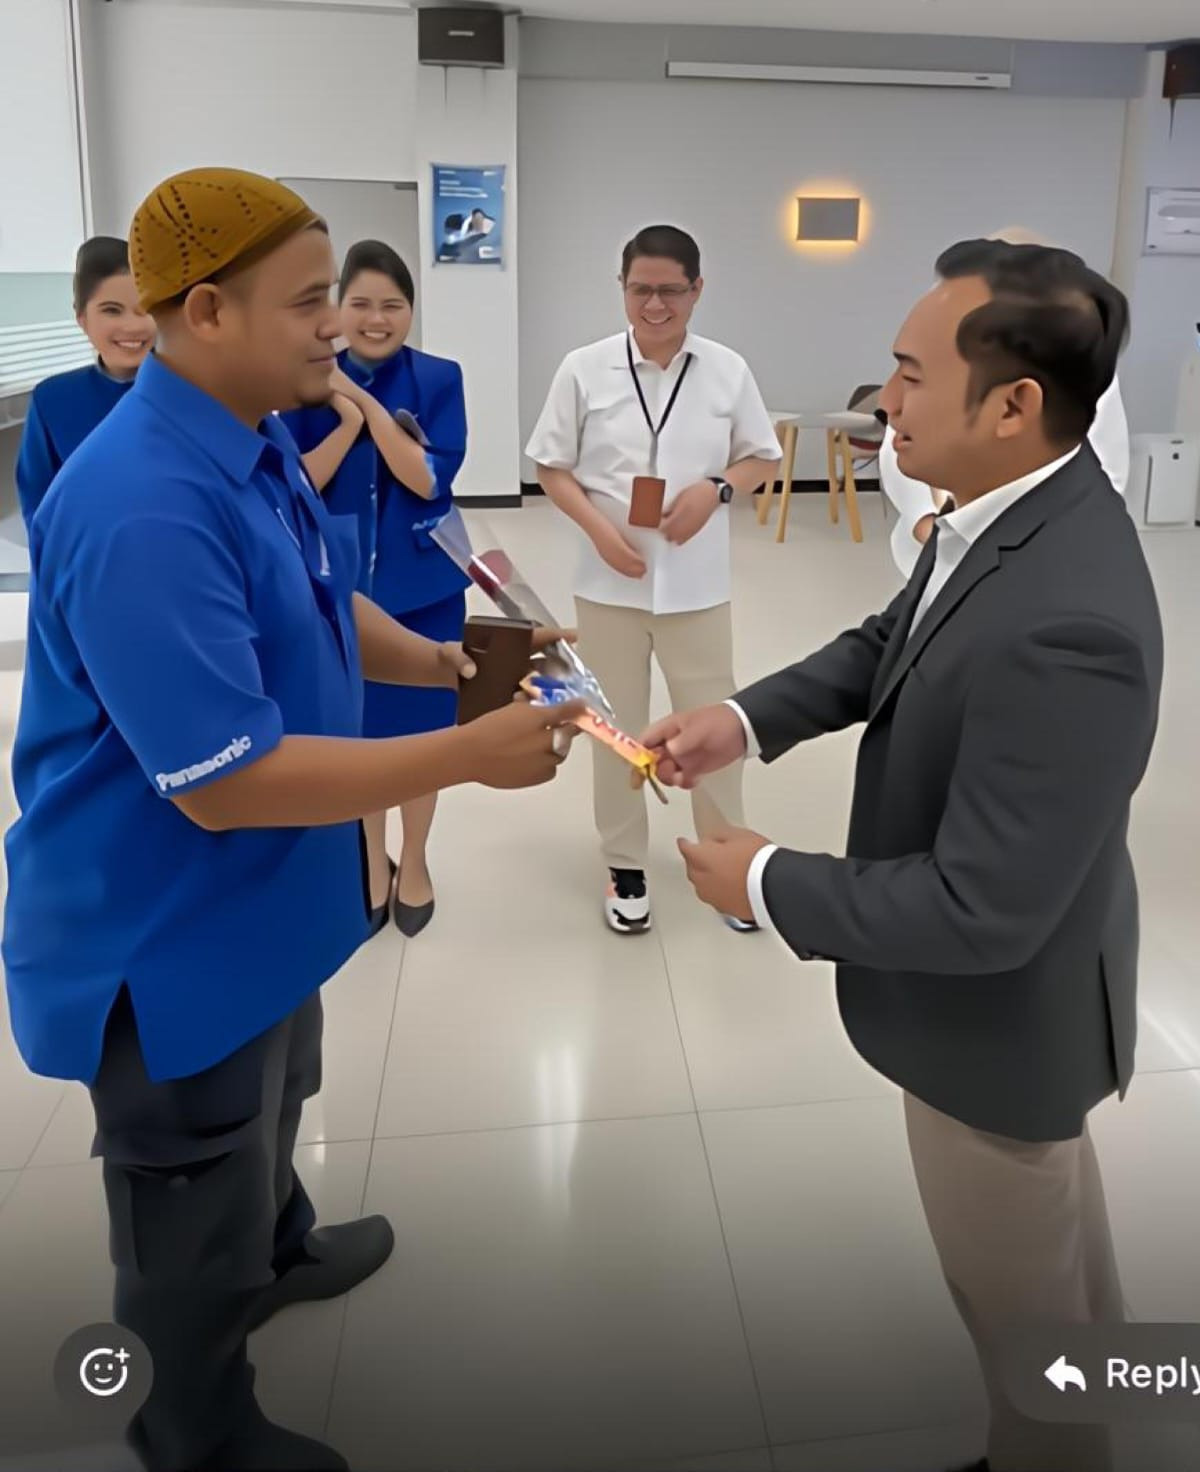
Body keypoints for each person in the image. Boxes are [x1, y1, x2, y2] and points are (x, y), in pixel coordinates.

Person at [2, 168, 581, 1472]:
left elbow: (321, 600)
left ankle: (280, 1247)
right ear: (208, 312)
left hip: (265, 899)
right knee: (190, 1194)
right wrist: (466, 753)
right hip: (167, 924)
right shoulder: (143, 500)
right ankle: (191, 1426)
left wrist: (446, 661)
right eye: (311, 301)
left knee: (275, 1101)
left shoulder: (252, 437)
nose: (341, 325)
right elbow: (223, 781)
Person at [644, 240, 1163, 1472]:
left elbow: (983, 909)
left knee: (1025, 1322)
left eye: (912, 374)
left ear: (1014, 404)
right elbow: (893, 637)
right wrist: (745, 719)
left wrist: (763, 877)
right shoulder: (1006, 509)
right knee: (1063, 1281)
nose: (886, 401)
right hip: (994, 1015)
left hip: (1002, 1026)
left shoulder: (1072, 621)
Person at [526, 224, 781, 935]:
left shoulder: (727, 370)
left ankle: (725, 854)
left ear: (697, 289)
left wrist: (716, 491)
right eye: (641, 289)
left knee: (715, 727)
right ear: (622, 288)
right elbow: (551, 466)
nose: (655, 304)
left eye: (671, 290)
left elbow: (761, 457)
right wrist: (599, 532)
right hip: (607, 583)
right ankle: (624, 863)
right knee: (614, 726)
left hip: (697, 585)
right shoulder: (584, 368)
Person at [282, 240, 467, 937]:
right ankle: (370, 860)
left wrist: (360, 400)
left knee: (422, 735)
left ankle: (413, 860)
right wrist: (348, 423)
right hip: (336, 593)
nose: (376, 318)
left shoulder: (439, 378)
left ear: (411, 311)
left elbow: (427, 479)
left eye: (392, 304)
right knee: (358, 737)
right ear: (338, 308)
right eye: (360, 303)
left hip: (425, 591)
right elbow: (295, 484)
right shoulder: (301, 377)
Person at [879, 226, 1131, 578]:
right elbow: (899, 442)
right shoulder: (946, 344)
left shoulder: (1080, 370)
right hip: (932, 549)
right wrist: (924, 519)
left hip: (1018, 560)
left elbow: (1107, 474)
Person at [16, 235, 156, 526]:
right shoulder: (53, 399)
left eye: (145, 308)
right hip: (87, 552)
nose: (132, 325)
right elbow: (38, 501)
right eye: (112, 310)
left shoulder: (195, 390)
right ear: (82, 319)